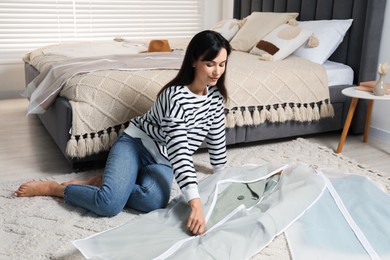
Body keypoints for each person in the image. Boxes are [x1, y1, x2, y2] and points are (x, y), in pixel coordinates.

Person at [15, 30, 232, 235]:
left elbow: (216, 137)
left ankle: (107, 182)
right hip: (136, 145)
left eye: (222, 64)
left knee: (153, 202)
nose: (217, 72)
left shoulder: (215, 99)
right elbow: (179, 151)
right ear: (194, 61)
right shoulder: (175, 97)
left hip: (162, 160)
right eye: (210, 64)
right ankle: (56, 189)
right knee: (109, 204)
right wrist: (195, 203)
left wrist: (221, 175)